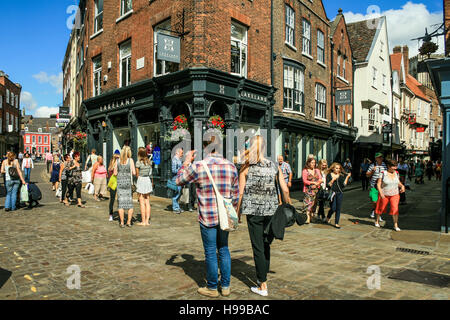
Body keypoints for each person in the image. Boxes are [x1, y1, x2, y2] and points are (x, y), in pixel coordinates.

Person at [176, 136, 239, 298]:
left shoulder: (199, 166)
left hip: (207, 216)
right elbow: (236, 197)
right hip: (225, 217)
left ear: (205, 147)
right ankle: (225, 286)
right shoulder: (231, 167)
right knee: (224, 249)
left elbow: (179, 181)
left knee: (211, 251)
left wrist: (186, 162)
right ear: (220, 146)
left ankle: (212, 287)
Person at [238, 136, 289, 297]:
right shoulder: (274, 165)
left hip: (253, 212)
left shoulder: (246, 167)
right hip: (271, 212)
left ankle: (262, 284)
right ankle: (264, 273)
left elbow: (240, 193)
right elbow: (285, 189)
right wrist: (288, 206)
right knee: (266, 244)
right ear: (265, 147)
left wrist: (238, 213)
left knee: (258, 247)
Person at [375, 159, 405, 231]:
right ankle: (377, 221)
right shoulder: (382, 173)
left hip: (395, 194)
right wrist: (381, 193)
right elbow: (378, 184)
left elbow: (398, 182)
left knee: (395, 209)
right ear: (388, 166)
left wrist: (402, 186)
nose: (395, 168)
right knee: (381, 208)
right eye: (393, 166)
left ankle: (395, 225)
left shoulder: (396, 173)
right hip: (384, 194)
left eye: (396, 166)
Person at [114, 146, 136, 228]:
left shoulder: (117, 161)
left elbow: (115, 173)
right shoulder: (130, 160)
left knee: (121, 204)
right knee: (129, 203)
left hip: (120, 183)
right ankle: (129, 222)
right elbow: (134, 172)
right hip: (128, 183)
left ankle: (122, 222)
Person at [326, 163, 352, 229]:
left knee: (338, 208)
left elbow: (344, 185)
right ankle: (328, 217)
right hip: (332, 193)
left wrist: (347, 177)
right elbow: (328, 185)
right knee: (333, 208)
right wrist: (333, 179)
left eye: (339, 168)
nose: (338, 170)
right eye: (336, 168)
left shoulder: (341, 176)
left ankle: (336, 223)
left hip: (339, 193)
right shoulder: (329, 175)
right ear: (333, 168)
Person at [135, 147, 153, 226]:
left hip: (141, 180)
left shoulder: (138, 163)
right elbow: (150, 173)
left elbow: (137, 174)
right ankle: (147, 221)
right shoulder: (149, 162)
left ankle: (143, 221)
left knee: (141, 202)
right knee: (147, 201)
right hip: (147, 180)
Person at [302, 157, 322, 224]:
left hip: (316, 190)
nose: (313, 164)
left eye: (314, 163)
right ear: (308, 163)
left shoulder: (317, 170)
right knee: (308, 203)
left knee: (314, 204)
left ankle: (312, 216)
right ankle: (307, 217)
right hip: (308, 190)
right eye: (312, 162)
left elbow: (320, 179)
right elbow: (304, 181)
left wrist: (317, 184)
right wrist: (313, 183)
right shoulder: (305, 171)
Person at [367, 153, 386, 221]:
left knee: (380, 202)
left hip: (381, 187)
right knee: (374, 201)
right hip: (374, 186)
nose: (380, 158)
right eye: (379, 157)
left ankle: (378, 215)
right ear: (376, 158)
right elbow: (367, 175)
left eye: (381, 157)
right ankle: (374, 209)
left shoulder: (384, 165)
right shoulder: (372, 165)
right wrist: (372, 171)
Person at [108, 150, 121, 221]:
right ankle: (111, 214)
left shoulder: (120, 162)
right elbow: (110, 170)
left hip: (119, 182)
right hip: (113, 182)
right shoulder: (112, 162)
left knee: (119, 199)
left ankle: (120, 213)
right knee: (112, 199)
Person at [171, 148, 184, 214]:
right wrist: (181, 170)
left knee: (179, 193)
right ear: (177, 153)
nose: (182, 154)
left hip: (179, 179)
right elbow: (173, 170)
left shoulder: (178, 160)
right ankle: (175, 208)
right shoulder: (174, 160)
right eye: (181, 153)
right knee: (176, 194)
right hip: (176, 179)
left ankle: (177, 207)